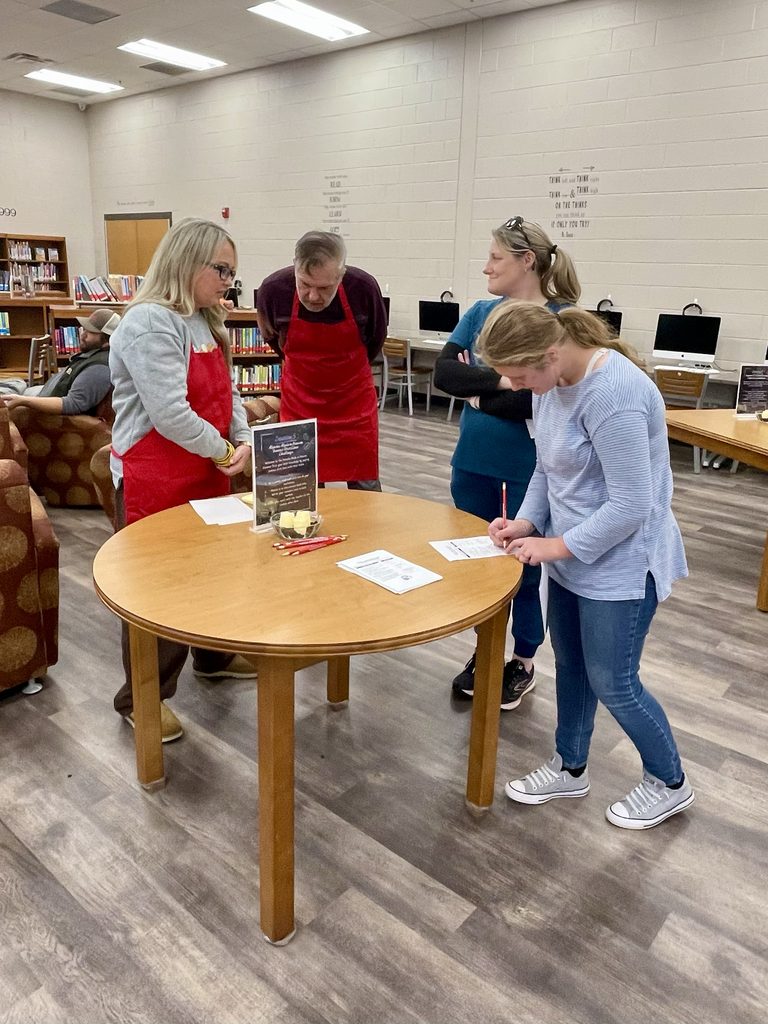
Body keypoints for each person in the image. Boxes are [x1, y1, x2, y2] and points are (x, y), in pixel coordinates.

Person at [478, 302, 694, 830]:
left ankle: (670, 782)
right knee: (572, 667)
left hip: (623, 564)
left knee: (614, 680)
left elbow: (631, 504)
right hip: (576, 556)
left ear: (551, 354)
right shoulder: (551, 385)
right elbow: (548, 470)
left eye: (522, 376)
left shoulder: (613, 395)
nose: (517, 387)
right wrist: (527, 524)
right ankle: (570, 766)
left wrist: (553, 548)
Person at [109, 218, 255, 743]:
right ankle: (141, 698)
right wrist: (224, 451)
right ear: (185, 261)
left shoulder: (206, 318)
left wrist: (240, 439)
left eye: (232, 273)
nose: (227, 282)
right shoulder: (151, 321)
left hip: (205, 470)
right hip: (157, 477)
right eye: (221, 269)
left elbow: (228, 394)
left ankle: (213, 658)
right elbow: (170, 413)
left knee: (212, 574)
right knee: (157, 592)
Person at [433, 217, 580, 711]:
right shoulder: (480, 312)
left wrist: (481, 388)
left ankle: (521, 660)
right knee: (476, 562)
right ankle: (485, 650)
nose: (486, 267)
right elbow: (445, 375)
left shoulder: (558, 320)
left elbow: (536, 401)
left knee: (523, 567)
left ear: (526, 262)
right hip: (472, 461)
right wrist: (501, 383)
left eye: (495, 258)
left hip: (528, 469)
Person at [257, 231, 387, 490]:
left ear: (341, 274)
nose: (313, 296)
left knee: (366, 488)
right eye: (304, 284)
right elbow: (273, 338)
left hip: (353, 408)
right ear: (294, 268)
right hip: (299, 405)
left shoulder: (363, 288)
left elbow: (375, 339)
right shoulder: (273, 290)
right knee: (298, 488)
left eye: (324, 287)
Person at [0, 308, 118, 416]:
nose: (83, 335)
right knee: (16, 382)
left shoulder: (99, 368)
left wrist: (23, 401)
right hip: (39, 394)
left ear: (107, 340)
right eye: (84, 329)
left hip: (39, 406)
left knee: (6, 393)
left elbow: (73, 404)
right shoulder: (93, 354)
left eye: (90, 332)